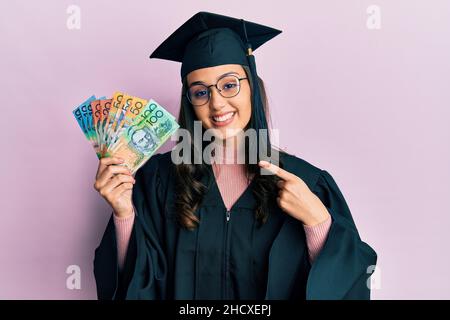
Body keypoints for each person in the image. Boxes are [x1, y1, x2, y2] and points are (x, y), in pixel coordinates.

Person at [93, 11, 377, 300]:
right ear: (190, 102)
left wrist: (319, 224)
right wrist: (124, 214)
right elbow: (136, 282)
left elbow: (349, 284)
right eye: (200, 92)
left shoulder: (306, 182)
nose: (217, 103)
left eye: (229, 85)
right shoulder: (158, 179)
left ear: (252, 86)